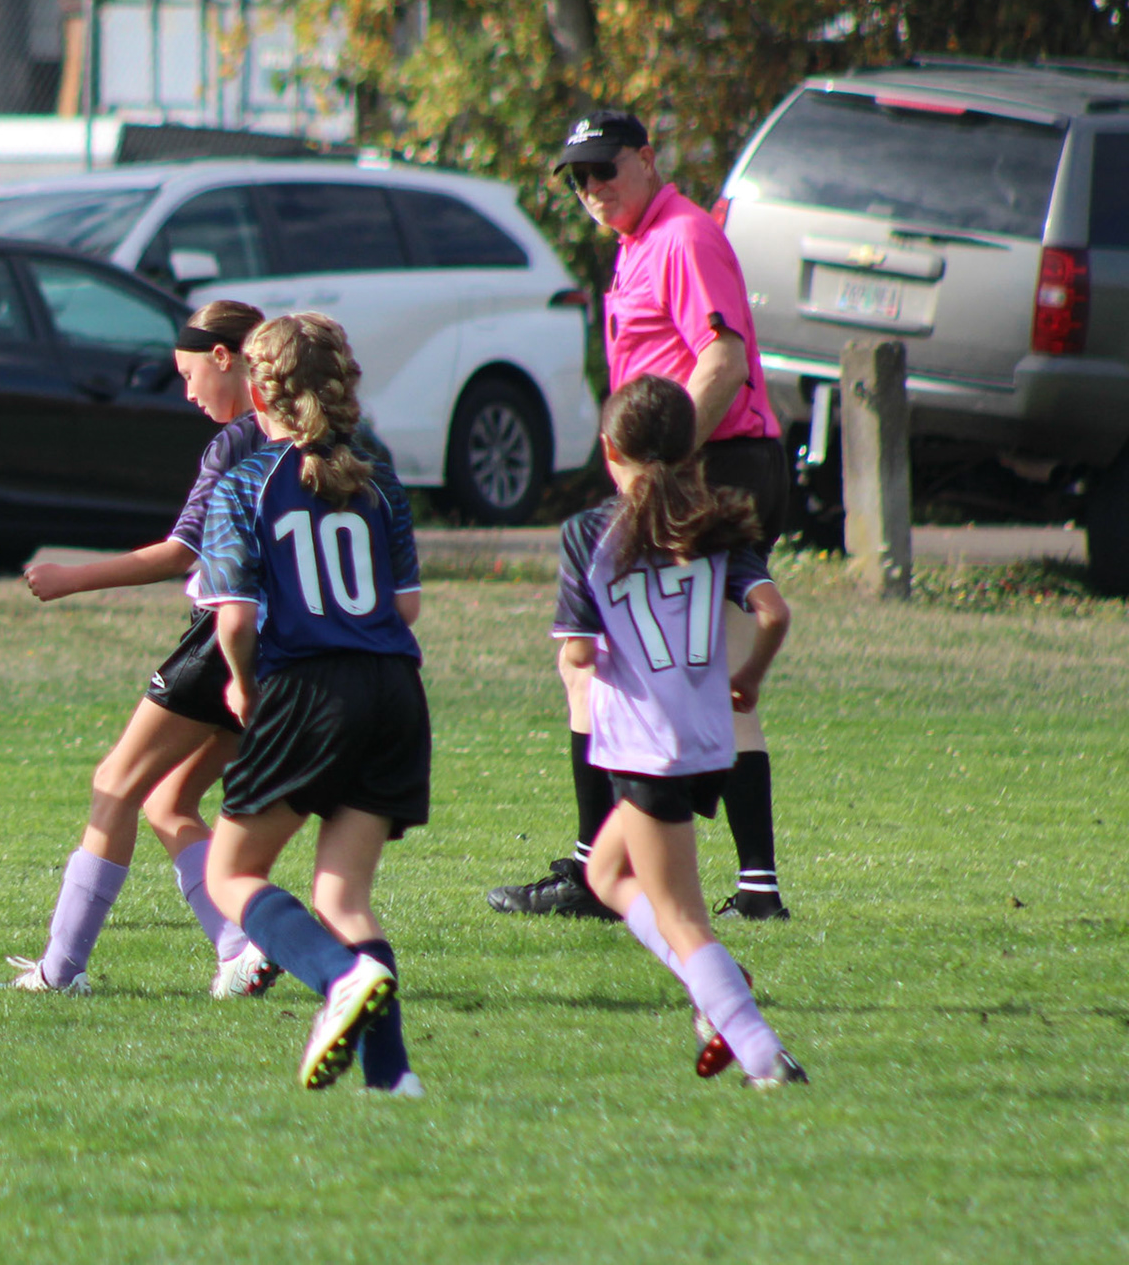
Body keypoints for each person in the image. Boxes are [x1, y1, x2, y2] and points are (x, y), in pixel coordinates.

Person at [488, 108, 793, 923]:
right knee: (709, 672)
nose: (591, 187)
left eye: (605, 168)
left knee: (596, 664)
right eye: (578, 177)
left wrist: (661, 472)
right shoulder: (638, 243)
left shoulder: (683, 236)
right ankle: (753, 886)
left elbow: (723, 360)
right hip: (710, 465)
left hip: (714, 463)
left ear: (648, 159)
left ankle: (597, 870)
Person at [7, 301, 282, 999]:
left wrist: (72, 577)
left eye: (189, 375)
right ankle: (241, 947)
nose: (188, 394)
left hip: (224, 638)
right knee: (169, 800)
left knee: (115, 784)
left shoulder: (238, 443)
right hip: (287, 649)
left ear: (225, 357)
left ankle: (60, 970)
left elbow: (180, 552)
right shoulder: (318, 438)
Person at [197, 313, 428, 1095]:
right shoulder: (378, 475)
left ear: (261, 391)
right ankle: (391, 1079)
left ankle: (336, 978)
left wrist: (241, 681)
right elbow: (405, 607)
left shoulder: (245, 483)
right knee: (342, 895)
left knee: (231, 873)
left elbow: (234, 620)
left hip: (309, 689)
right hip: (395, 691)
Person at [556, 374, 805, 1087]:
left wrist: (584, 658)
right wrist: (749, 676)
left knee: (681, 915)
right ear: (691, 450)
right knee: (606, 874)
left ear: (609, 448)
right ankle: (715, 982)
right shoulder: (714, 524)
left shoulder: (590, 533)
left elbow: (579, 652)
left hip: (646, 745)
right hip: (709, 742)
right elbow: (774, 613)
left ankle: (761, 1052)